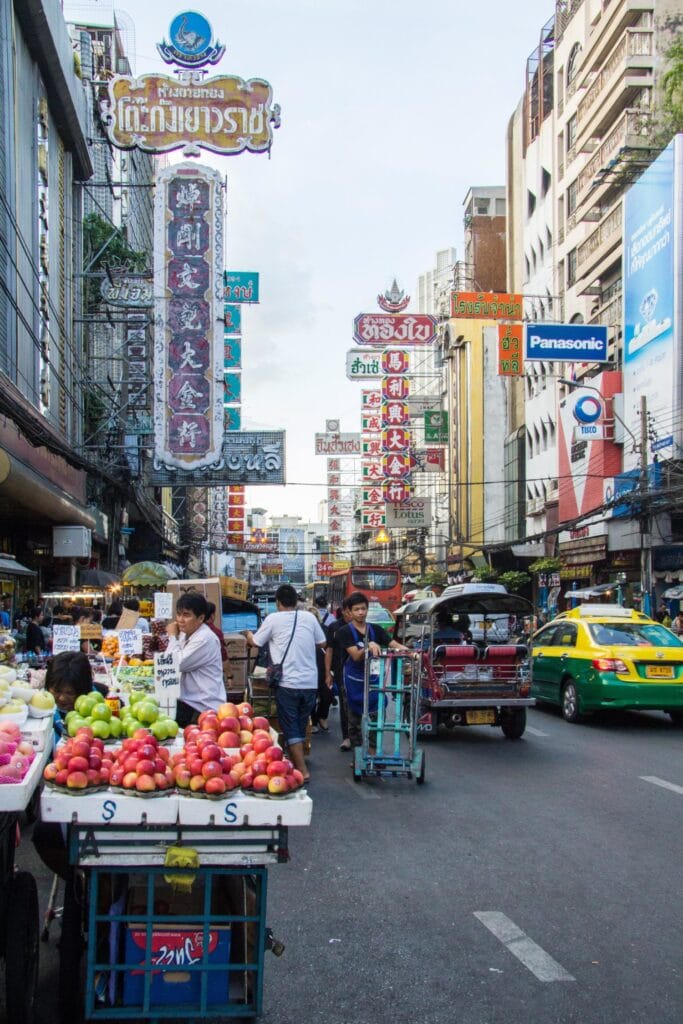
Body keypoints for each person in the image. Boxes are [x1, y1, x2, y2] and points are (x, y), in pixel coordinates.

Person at [244, 583, 326, 783]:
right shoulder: (308, 617)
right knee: (299, 723)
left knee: (291, 727)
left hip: (288, 683)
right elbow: (322, 643)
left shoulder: (273, 618)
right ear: (297, 601)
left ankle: (302, 771)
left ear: (278, 602)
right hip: (310, 683)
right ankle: (291, 765)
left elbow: (256, 642)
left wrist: (248, 635)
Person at [335, 592, 412, 750]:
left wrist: (410, 652)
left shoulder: (375, 629)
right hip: (352, 681)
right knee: (354, 720)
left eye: (363, 609)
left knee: (377, 717)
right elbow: (355, 656)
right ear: (349, 611)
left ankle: (372, 751)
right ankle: (357, 754)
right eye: (356, 609)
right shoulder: (344, 632)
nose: (361, 612)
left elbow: (393, 644)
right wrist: (368, 646)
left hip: (374, 680)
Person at [165, 593, 224, 728]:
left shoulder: (204, 639)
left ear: (201, 618)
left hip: (202, 708)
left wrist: (172, 637)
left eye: (186, 615)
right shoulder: (187, 635)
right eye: (179, 614)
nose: (180, 619)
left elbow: (172, 664)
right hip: (190, 703)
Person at [325, 605, 353, 750]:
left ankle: (360, 737)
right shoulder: (334, 627)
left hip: (360, 671)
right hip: (340, 670)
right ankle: (347, 737)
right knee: (344, 702)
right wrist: (327, 672)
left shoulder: (364, 627)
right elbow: (329, 650)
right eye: (349, 611)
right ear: (343, 611)